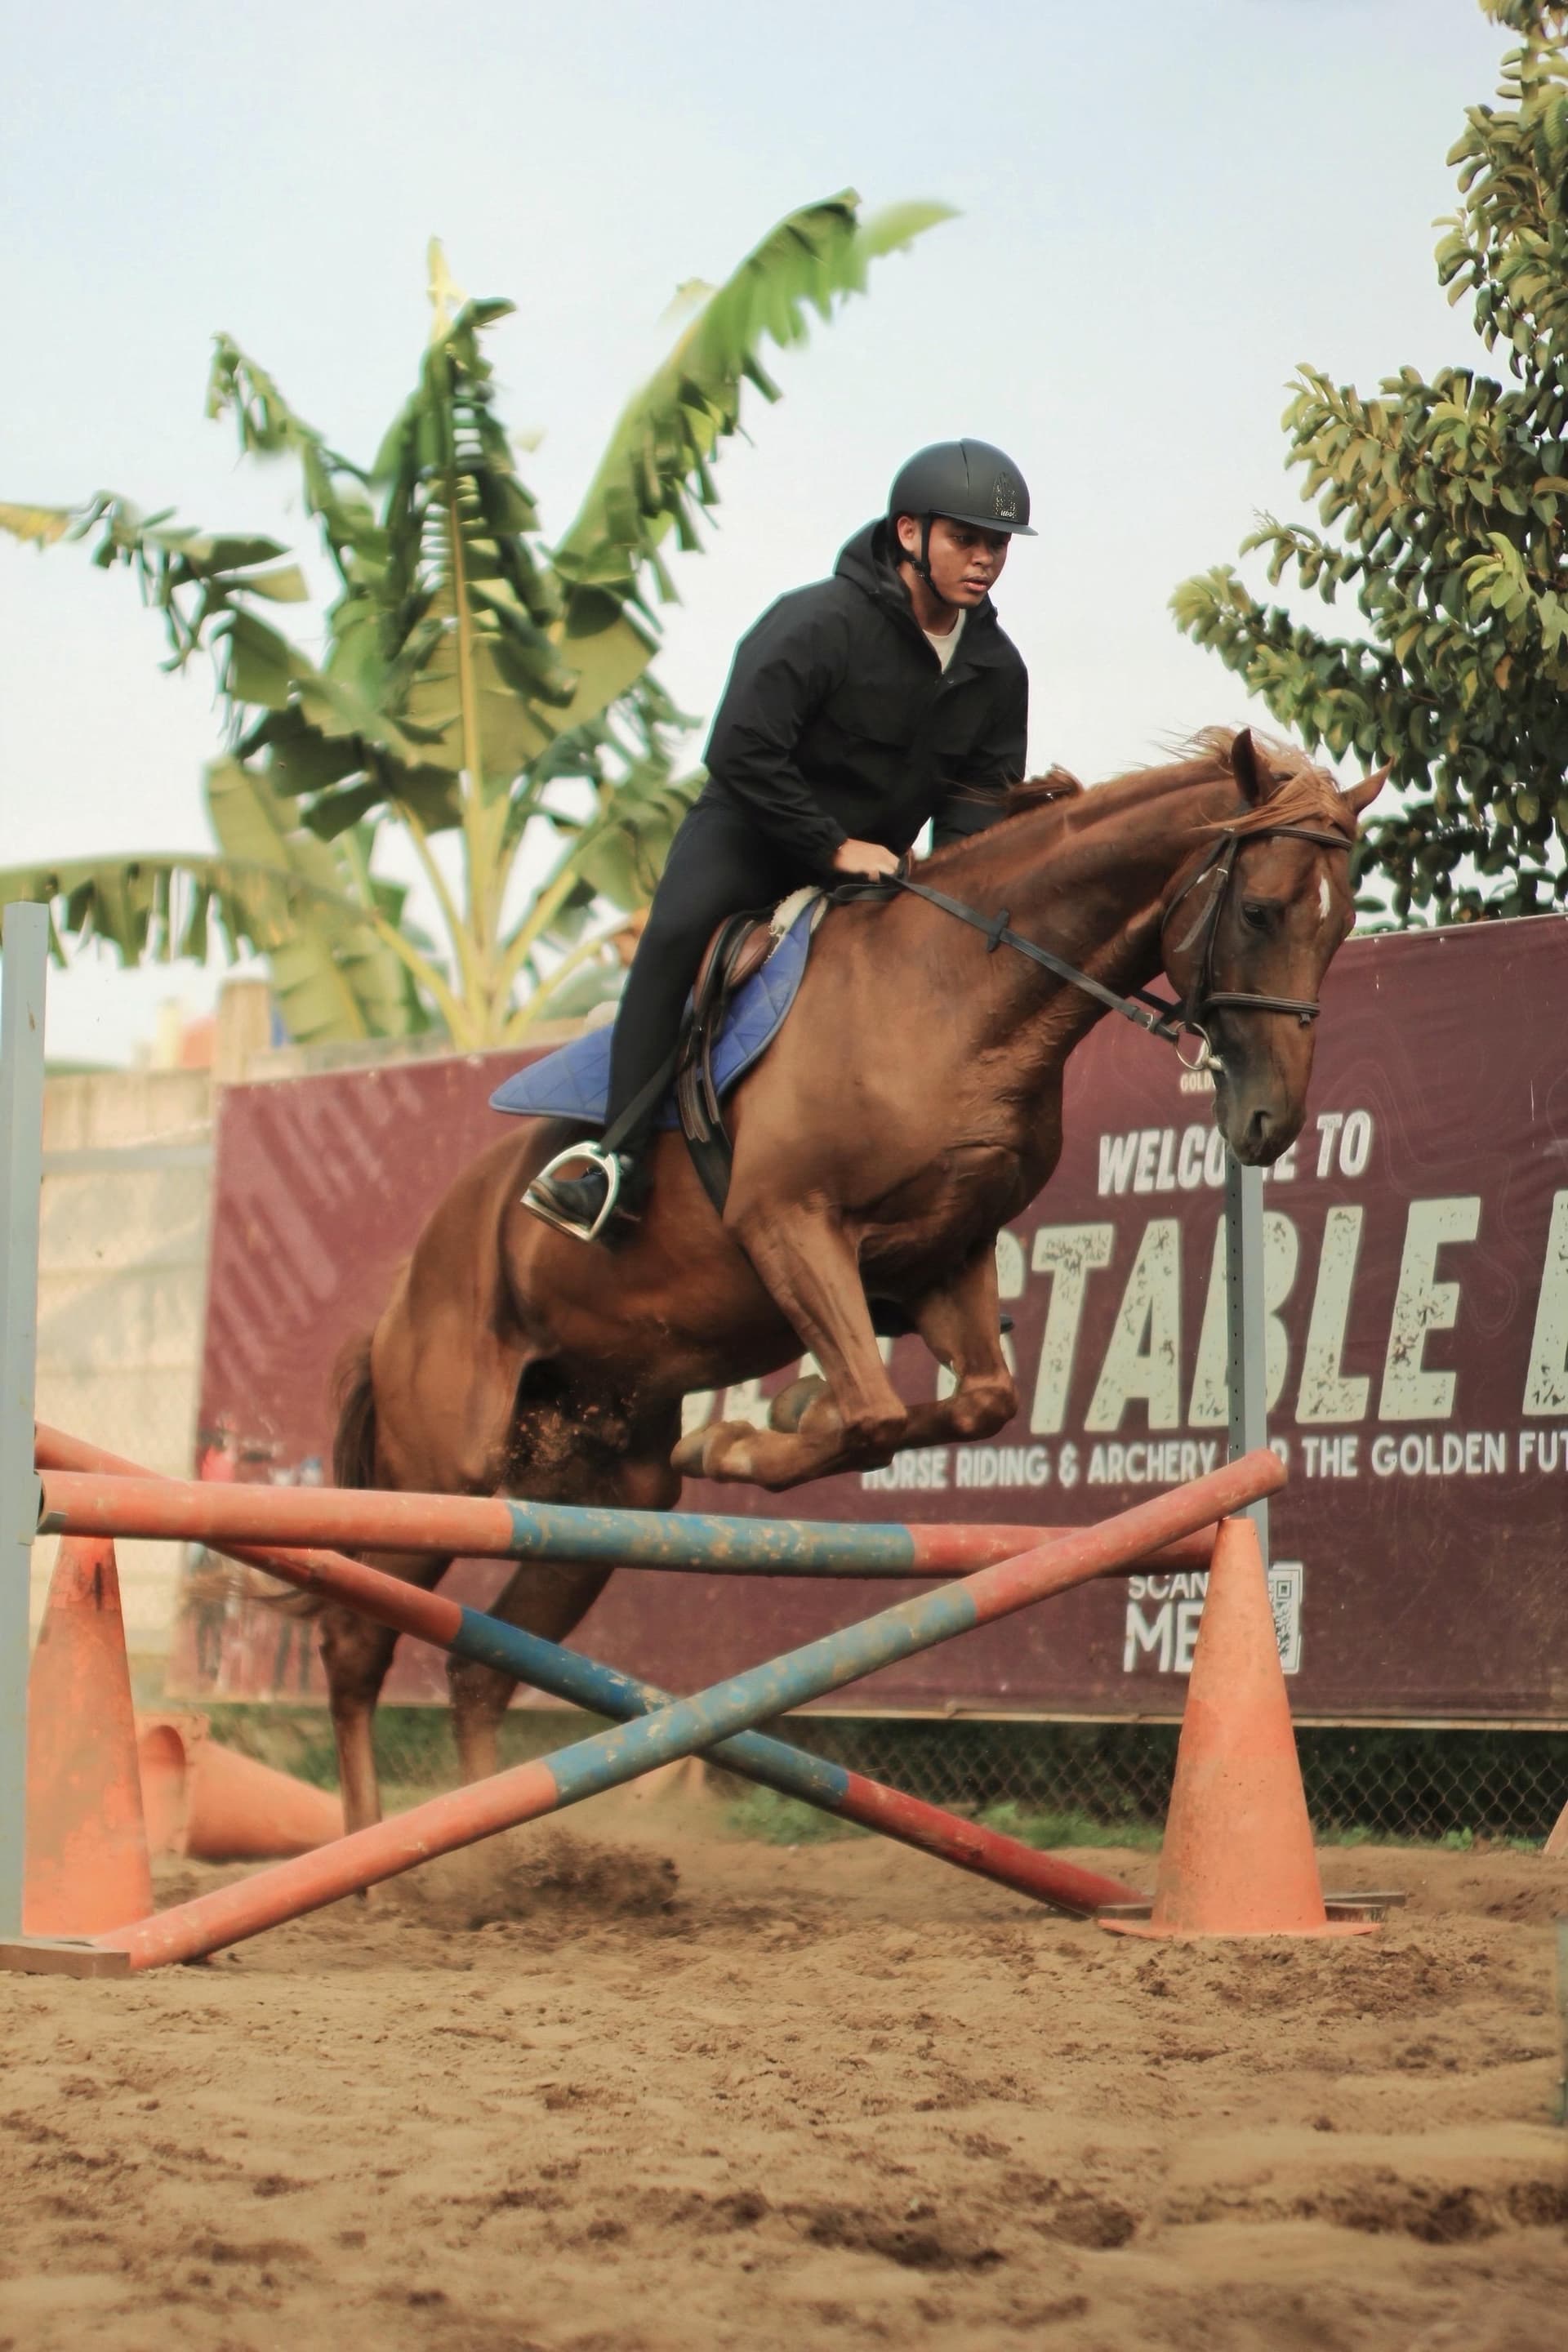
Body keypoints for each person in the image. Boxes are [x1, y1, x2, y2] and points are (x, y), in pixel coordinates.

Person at [524, 438, 1034, 1243]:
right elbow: (740, 751)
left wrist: (956, 888)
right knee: (674, 936)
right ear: (910, 533)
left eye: (997, 544)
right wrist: (831, 847)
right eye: (965, 539)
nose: (984, 559)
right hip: (753, 832)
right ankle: (614, 1164)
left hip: (881, 869)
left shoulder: (998, 672)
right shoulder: (819, 621)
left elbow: (977, 803)